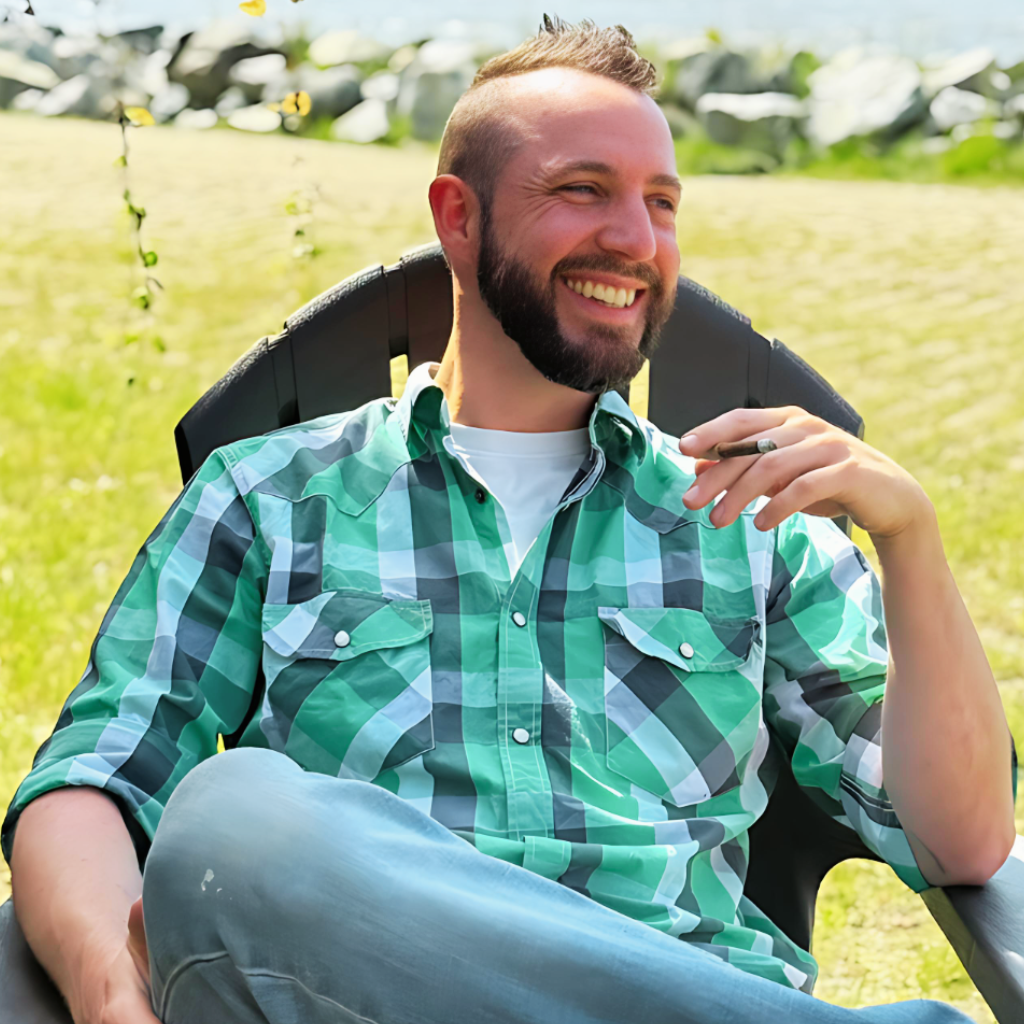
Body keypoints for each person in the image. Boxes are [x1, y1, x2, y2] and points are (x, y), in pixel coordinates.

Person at [3, 15, 1017, 1024]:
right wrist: (106, 993)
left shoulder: (752, 524)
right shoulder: (270, 499)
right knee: (233, 819)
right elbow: (94, 780)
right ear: (458, 218)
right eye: (583, 189)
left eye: (661, 202)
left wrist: (908, 537)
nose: (635, 236)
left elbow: (963, 843)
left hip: (682, 969)